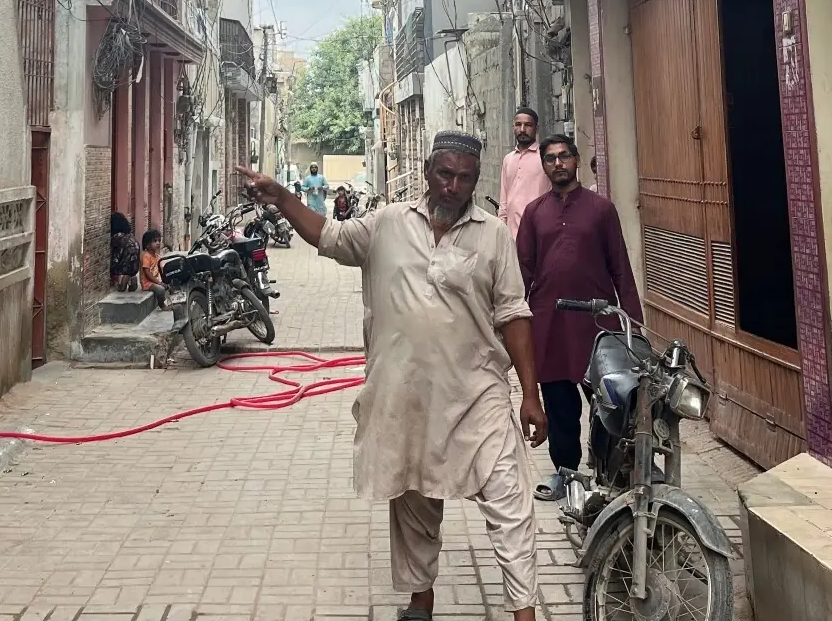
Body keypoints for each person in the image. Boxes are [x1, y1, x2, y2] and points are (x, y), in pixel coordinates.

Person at [236, 133, 548, 621]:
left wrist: (531, 395)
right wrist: (282, 199)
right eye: (445, 174)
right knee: (414, 498)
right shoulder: (387, 223)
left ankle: (524, 610)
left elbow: (514, 314)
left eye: (465, 178)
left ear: (475, 181)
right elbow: (328, 236)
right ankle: (420, 600)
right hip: (407, 394)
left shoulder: (493, 235)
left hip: (478, 394)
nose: (453, 186)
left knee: (510, 500)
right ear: (427, 172)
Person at [516, 135, 643, 501]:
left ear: (575, 160)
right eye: (550, 158)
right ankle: (566, 474)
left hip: (597, 325)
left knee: (612, 401)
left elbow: (621, 268)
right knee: (560, 406)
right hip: (550, 325)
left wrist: (633, 327)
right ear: (544, 166)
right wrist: (513, 322)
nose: (558, 163)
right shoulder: (534, 213)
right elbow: (521, 271)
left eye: (564, 156)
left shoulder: (601, 210)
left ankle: (614, 475)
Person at [498, 108, 549, 237]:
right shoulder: (508, 159)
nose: (522, 129)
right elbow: (504, 199)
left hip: (539, 230)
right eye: (518, 124)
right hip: (511, 234)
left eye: (528, 125)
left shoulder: (545, 157)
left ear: (536, 129)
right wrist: (501, 226)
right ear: (513, 128)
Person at [109, 212, 141, 292]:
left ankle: (121, 279)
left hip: (124, 266)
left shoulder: (117, 237)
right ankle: (131, 279)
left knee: (112, 268)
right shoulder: (130, 235)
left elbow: (115, 254)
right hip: (134, 266)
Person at [139, 228, 167, 296]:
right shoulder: (146, 256)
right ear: (147, 244)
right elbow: (147, 273)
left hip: (154, 281)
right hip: (147, 283)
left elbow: (162, 270)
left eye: (159, 240)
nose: (158, 243)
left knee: (168, 286)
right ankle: (162, 303)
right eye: (155, 241)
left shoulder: (157, 257)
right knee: (161, 290)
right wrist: (158, 282)